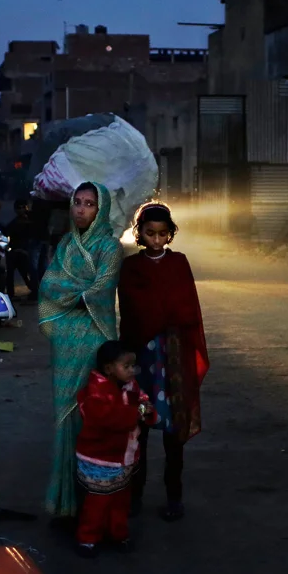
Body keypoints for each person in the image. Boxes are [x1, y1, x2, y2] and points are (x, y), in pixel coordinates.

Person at [119, 203, 210, 522]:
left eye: (162, 233)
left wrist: (161, 313)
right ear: (140, 234)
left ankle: (175, 495)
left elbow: (186, 307)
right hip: (142, 359)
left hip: (173, 359)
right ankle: (135, 493)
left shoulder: (179, 263)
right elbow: (132, 310)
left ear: (170, 233)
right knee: (138, 425)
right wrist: (160, 314)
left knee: (174, 429)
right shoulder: (130, 268)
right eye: (150, 233)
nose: (157, 239)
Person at [39, 182, 124, 520]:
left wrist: (68, 293)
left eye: (90, 203)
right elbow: (47, 285)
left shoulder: (111, 247)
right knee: (64, 418)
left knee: (92, 416)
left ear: (100, 209)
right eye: (77, 202)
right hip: (64, 341)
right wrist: (75, 294)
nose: (81, 209)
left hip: (95, 339)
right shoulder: (64, 244)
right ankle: (65, 501)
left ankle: (95, 503)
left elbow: (102, 290)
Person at [74, 341, 156, 557]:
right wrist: (138, 412)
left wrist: (145, 409)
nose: (132, 370)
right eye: (126, 366)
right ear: (109, 368)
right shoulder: (96, 393)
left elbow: (142, 401)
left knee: (120, 499)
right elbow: (109, 418)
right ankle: (88, 538)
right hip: (100, 457)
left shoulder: (131, 386)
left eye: (133, 366)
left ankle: (118, 533)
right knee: (97, 502)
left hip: (123, 457)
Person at [3, 199, 37, 302]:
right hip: (15, 252)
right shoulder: (14, 223)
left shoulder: (31, 222)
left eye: (23, 207)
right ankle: (11, 294)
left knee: (26, 273)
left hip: (24, 252)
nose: (22, 210)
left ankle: (34, 291)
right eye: (19, 208)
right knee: (12, 273)